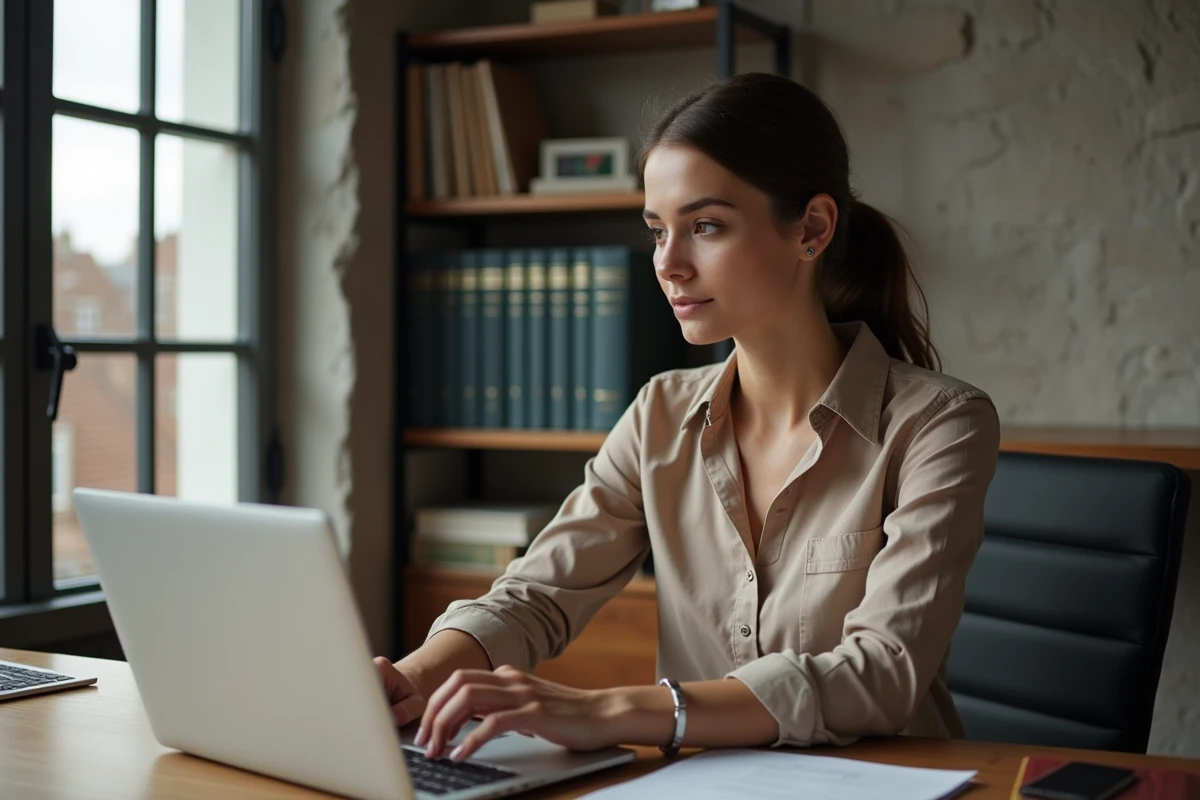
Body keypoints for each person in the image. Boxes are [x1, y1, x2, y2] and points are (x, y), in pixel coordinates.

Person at [377, 72, 1000, 763]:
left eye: (705, 226)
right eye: (656, 231)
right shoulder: (659, 415)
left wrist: (609, 709)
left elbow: (881, 673)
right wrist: (411, 677)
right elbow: (537, 596)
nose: (668, 264)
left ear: (812, 229)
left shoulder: (940, 425)